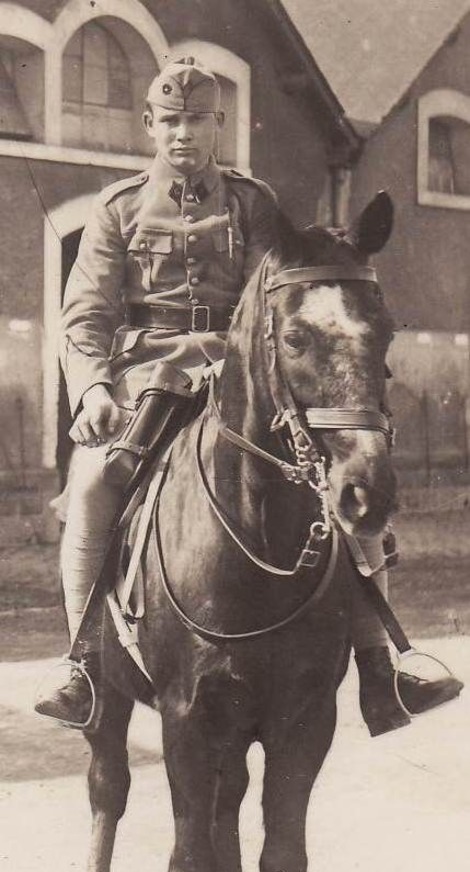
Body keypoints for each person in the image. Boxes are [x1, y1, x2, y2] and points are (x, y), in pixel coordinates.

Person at [35, 58, 462, 737]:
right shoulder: (115, 212)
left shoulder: (251, 202)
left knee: (336, 479)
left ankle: (385, 665)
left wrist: (242, 365)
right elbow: (85, 317)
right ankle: (83, 666)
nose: (183, 133)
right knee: (92, 488)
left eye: (197, 120)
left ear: (218, 126)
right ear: (150, 125)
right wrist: (91, 388)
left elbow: (275, 295)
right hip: (146, 382)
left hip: (239, 382)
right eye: (170, 120)